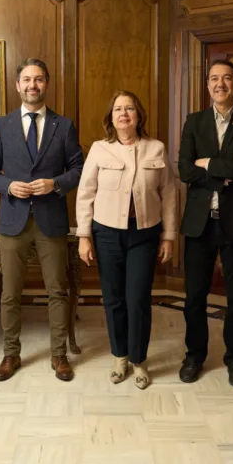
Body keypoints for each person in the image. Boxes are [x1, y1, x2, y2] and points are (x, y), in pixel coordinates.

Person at [0, 58, 84, 382]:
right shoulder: (2, 125)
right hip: (13, 219)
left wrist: (56, 184)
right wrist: (8, 185)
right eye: (26, 79)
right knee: (10, 294)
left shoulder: (63, 126)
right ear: (17, 85)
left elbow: (79, 169)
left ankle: (59, 355)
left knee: (57, 291)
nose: (32, 85)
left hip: (51, 218)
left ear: (46, 84)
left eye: (38, 79)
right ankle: (11, 354)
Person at [76, 90, 176, 389]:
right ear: (112, 117)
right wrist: (84, 236)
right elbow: (85, 193)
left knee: (138, 300)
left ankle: (139, 359)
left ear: (138, 115)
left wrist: (169, 236)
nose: (124, 114)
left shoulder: (156, 148)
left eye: (129, 108)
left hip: (145, 234)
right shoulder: (99, 149)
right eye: (118, 109)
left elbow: (169, 195)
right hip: (106, 233)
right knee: (114, 299)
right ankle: (120, 356)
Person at [177, 59, 233, 388]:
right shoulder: (194, 121)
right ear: (207, 84)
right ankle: (194, 356)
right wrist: (227, 172)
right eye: (214, 78)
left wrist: (210, 164)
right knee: (194, 297)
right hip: (200, 222)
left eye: (226, 78)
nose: (220, 84)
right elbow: (186, 171)